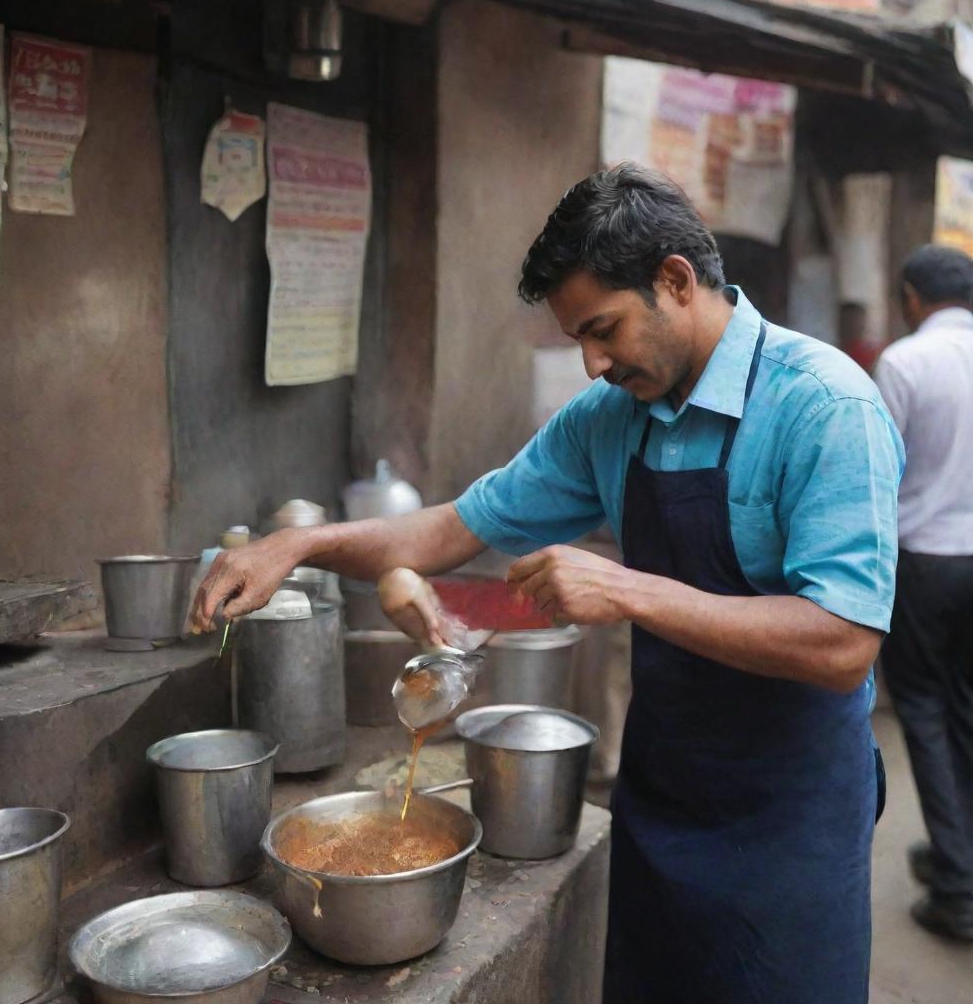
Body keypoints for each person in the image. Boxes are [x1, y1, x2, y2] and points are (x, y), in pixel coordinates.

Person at [192, 164, 903, 1002]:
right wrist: (298, 545)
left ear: (675, 280)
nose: (595, 363)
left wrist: (628, 590)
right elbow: (450, 529)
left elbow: (843, 644)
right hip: (665, 791)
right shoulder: (607, 418)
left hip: (792, 817)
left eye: (604, 329)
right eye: (579, 340)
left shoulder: (825, 409)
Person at [874, 243, 973, 941]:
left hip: (926, 559)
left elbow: (878, 469)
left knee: (925, 709)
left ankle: (958, 881)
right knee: (966, 705)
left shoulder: (905, 361)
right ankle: (959, 851)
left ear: (913, 296)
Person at [839, 300, 881, 374]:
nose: (852, 324)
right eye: (848, 320)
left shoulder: (874, 352)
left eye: (856, 319)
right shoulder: (833, 349)